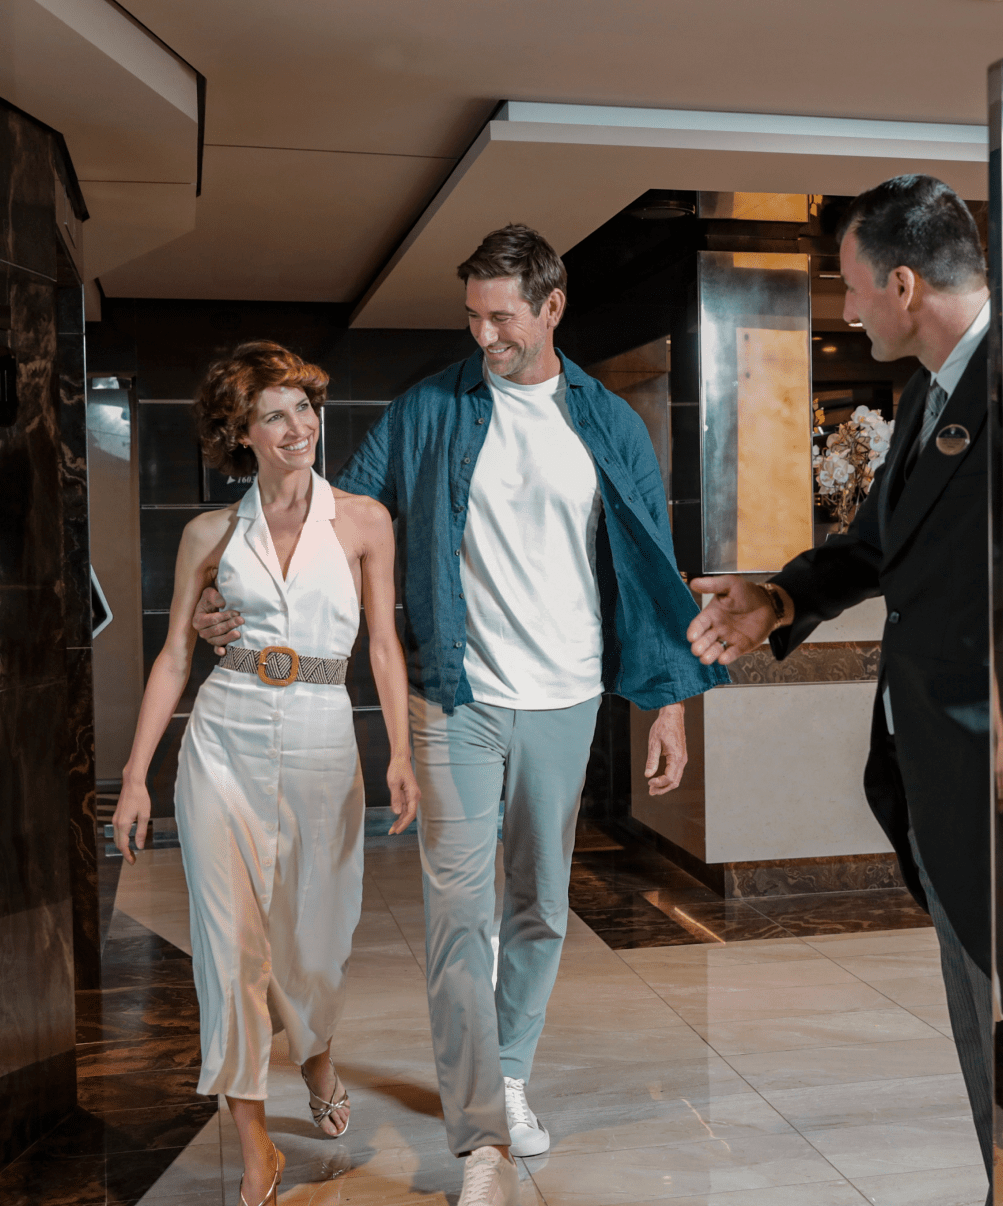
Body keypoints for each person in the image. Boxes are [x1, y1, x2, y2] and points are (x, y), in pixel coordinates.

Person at [194, 226, 726, 1206]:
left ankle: (508, 1068)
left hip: (566, 697)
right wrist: (227, 583)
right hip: (456, 695)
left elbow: (654, 563)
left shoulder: (607, 425)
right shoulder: (431, 409)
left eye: (503, 318)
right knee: (458, 916)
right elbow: (336, 513)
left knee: (537, 906)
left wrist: (668, 706)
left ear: (553, 307)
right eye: (472, 316)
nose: (484, 335)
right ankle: (480, 1123)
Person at [686, 176, 1003, 1206]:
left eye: (854, 287)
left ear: (904, 282)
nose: (849, 307)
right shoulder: (933, 394)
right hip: (947, 783)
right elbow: (879, 546)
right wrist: (780, 598)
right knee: (993, 1036)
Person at [112, 341, 420, 1206]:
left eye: (306, 409)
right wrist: (138, 775)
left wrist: (397, 749)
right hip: (223, 744)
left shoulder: (363, 521)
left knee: (315, 950)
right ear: (239, 432)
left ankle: (316, 1057)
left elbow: (387, 647)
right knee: (231, 952)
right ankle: (254, 1147)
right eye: (276, 415)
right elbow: (176, 655)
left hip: (326, 743)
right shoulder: (210, 533)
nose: (300, 428)